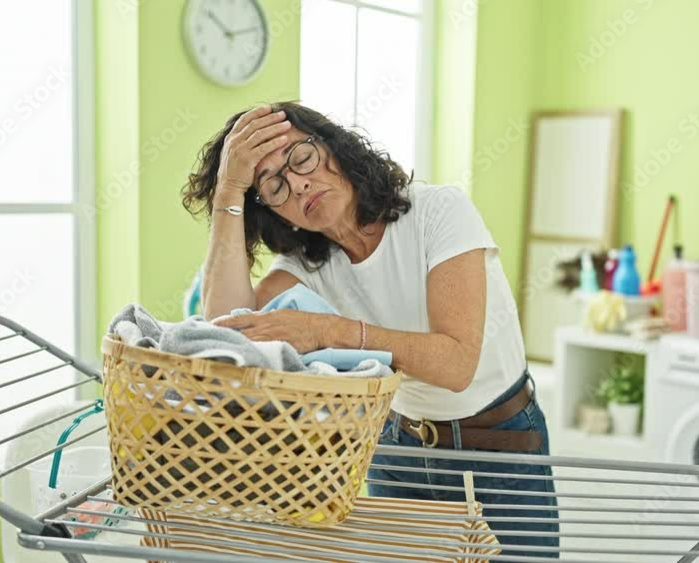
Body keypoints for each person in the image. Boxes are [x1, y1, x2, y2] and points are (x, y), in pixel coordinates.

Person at [182, 102, 558, 557]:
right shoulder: (305, 263)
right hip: (396, 449)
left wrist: (330, 331)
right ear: (275, 213)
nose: (298, 184)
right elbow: (227, 332)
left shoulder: (438, 210)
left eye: (301, 158)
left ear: (335, 148)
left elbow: (456, 364)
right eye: (274, 186)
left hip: (499, 444)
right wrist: (229, 190)